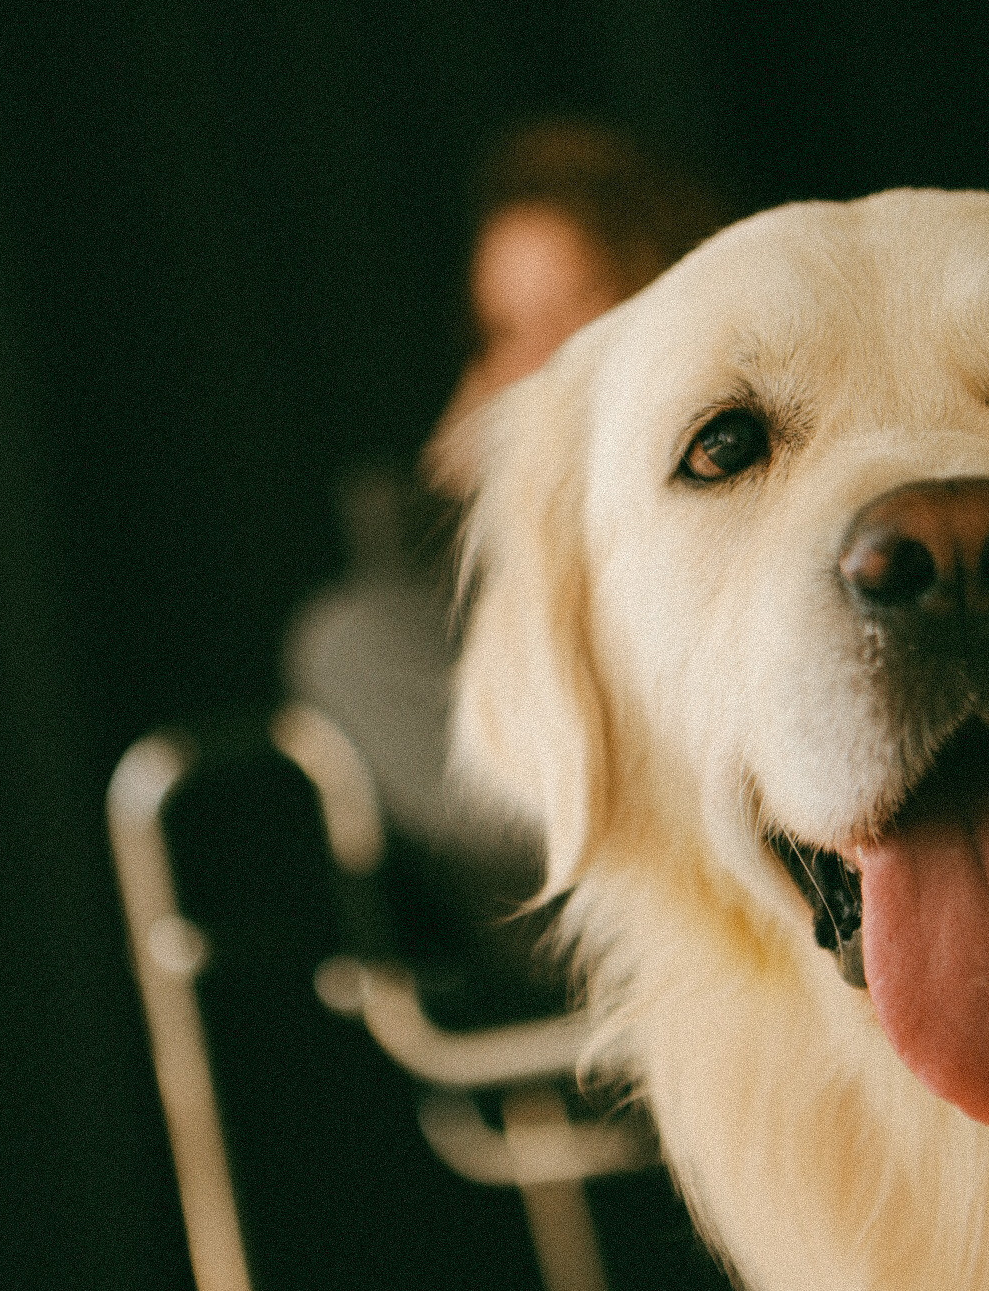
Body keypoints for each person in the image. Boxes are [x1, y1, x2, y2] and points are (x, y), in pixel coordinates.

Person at [283, 120, 723, 1007]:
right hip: (610, 938)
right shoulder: (400, 618)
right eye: (506, 331)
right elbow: (517, 808)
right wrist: (450, 504)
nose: (536, 362)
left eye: (575, 309)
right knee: (343, 638)